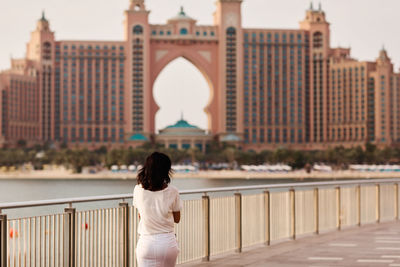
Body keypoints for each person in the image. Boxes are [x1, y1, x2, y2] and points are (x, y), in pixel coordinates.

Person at [133, 152, 182, 267]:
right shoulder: (173, 191)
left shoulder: (138, 190)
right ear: (166, 170)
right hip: (167, 243)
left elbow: (141, 215)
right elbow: (177, 219)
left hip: (146, 243)